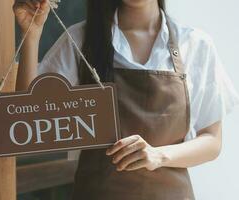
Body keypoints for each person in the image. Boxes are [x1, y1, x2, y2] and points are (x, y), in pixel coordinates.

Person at [13, 0, 239, 199]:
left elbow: (212, 141)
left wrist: (158, 155)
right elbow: (31, 117)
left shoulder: (196, 45)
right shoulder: (81, 40)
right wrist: (31, 36)